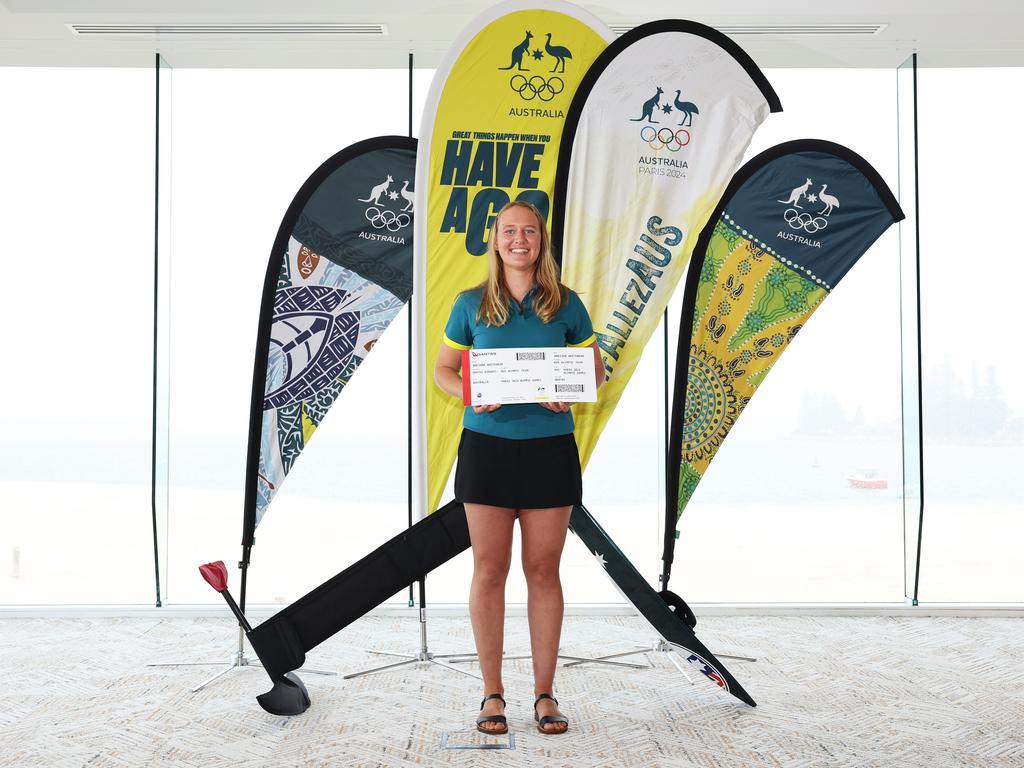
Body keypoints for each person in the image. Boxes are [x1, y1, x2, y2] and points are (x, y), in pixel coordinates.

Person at [434, 200, 603, 736]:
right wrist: (468, 394)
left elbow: (594, 370)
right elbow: (442, 369)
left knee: (543, 571)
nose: (519, 239)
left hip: (549, 451)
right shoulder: (470, 304)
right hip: (487, 450)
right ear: (496, 240)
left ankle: (545, 694)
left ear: (541, 240)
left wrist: (571, 396)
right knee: (488, 571)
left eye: (528, 231)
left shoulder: (567, 305)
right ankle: (492, 695)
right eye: (509, 231)